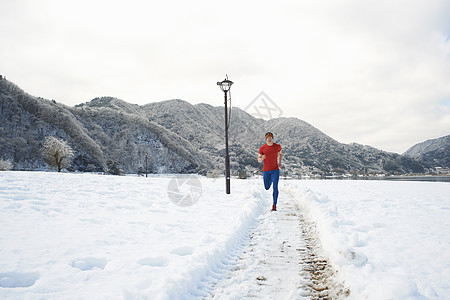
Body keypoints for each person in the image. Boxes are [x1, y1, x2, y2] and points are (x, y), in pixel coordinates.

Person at [258, 132, 282, 211]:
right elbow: (259, 160)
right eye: (268, 138)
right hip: (266, 171)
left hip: (275, 170)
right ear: (266, 139)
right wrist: (262, 158)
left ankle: (274, 204)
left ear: (272, 138)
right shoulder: (262, 148)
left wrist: (280, 162)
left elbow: (280, 154)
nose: (269, 139)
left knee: (275, 187)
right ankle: (271, 180)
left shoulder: (277, 146)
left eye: (270, 137)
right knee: (267, 187)